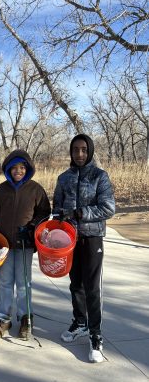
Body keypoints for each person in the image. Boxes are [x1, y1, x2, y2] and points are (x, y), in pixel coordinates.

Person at [53, 134, 115, 363]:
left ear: (89, 151)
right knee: (75, 284)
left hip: (92, 238)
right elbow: (57, 208)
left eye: (83, 149)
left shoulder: (100, 176)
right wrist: (57, 224)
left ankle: (95, 334)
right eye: (75, 150)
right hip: (69, 239)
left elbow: (108, 208)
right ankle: (79, 322)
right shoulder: (63, 178)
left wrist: (80, 213)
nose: (79, 154)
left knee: (92, 287)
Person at [0, 150, 51, 340]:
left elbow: (44, 213)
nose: (18, 171)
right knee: (5, 282)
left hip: (25, 244)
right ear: (8, 169)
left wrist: (32, 228)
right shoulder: (2, 189)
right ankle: (3, 319)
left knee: (23, 283)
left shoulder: (35, 189)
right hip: (3, 244)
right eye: (14, 168)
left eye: (22, 167)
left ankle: (25, 318)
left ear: (28, 169)